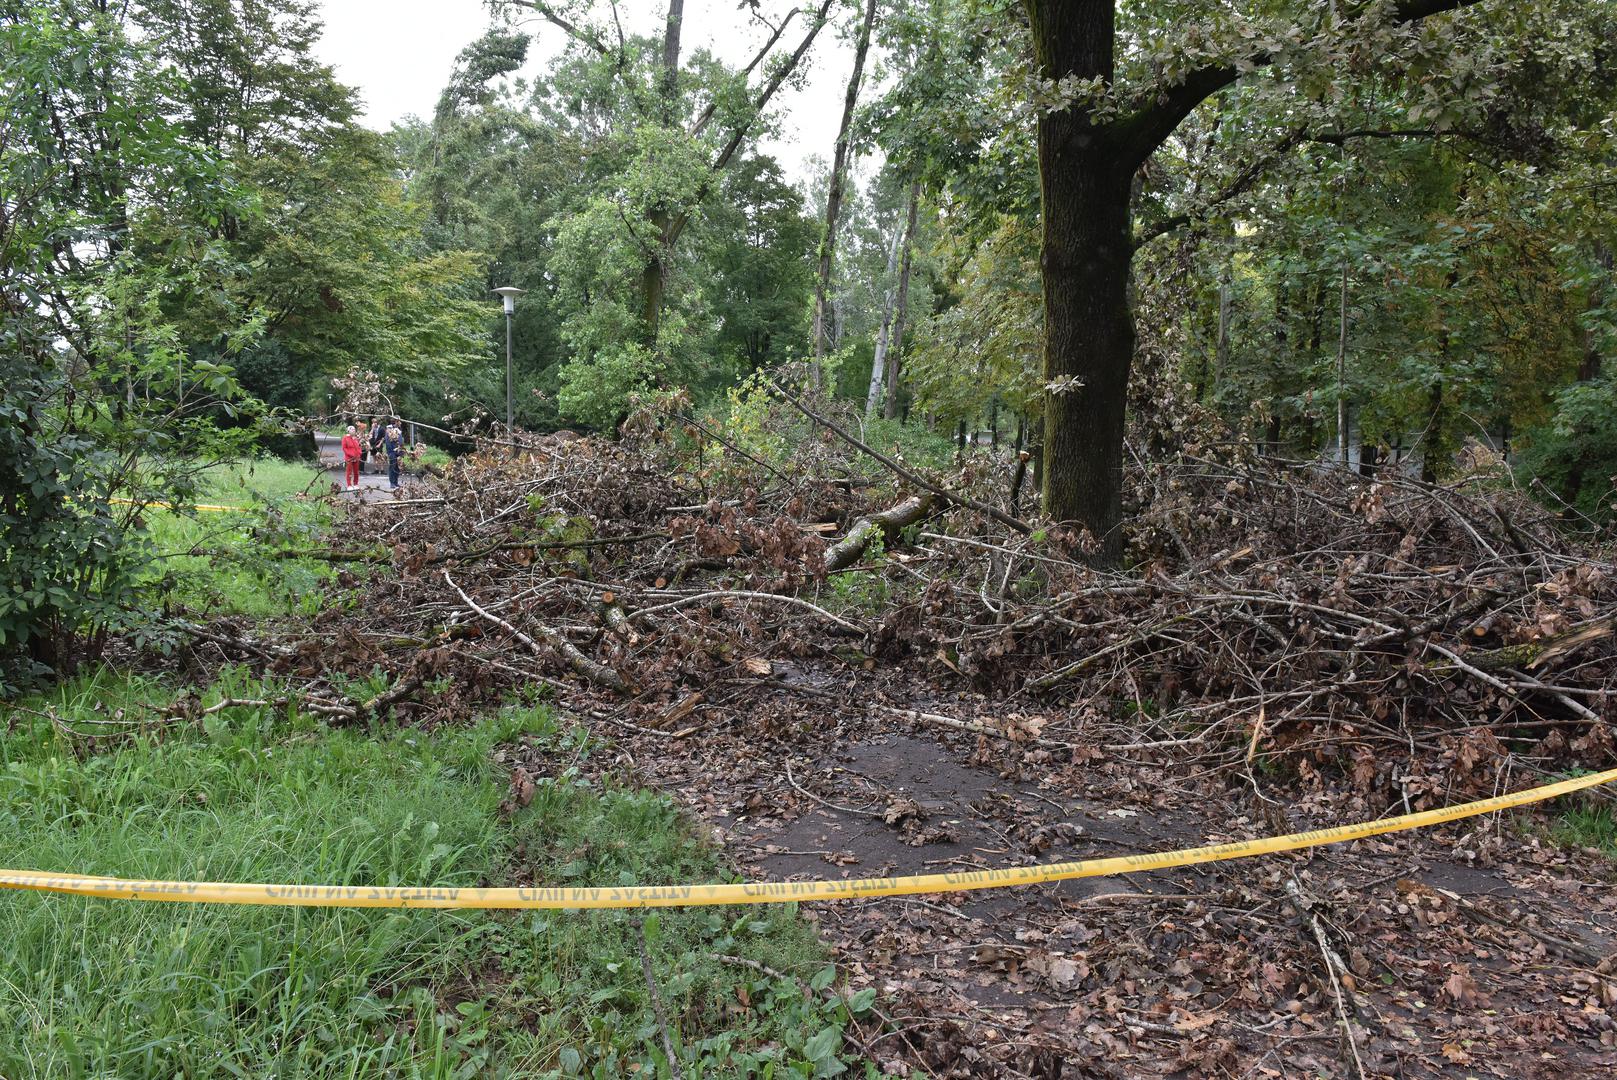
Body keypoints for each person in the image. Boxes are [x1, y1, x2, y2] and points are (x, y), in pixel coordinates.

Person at [340, 424, 363, 490]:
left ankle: (356, 484)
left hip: (356, 457)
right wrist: (351, 454)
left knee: (356, 471)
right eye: (352, 429)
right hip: (349, 458)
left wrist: (359, 453)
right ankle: (349, 485)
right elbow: (344, 448)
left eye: (354, 429)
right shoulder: (345, 438)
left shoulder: (355, 438)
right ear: (348, 431)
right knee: (349, 471)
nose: (354, 431)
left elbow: (358, 447)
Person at [384, 424, 405, 490]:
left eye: (391, 428)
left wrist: (400, 434)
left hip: (398, 454)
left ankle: (396, 482)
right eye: (388, 428)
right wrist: (393, 453)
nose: (389, 430)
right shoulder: (388, 436)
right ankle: (392, 483)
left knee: (397, 469)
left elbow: (401, 443)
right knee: (392, 468)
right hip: (392, 454)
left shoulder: (397, 434)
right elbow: (388, 446)